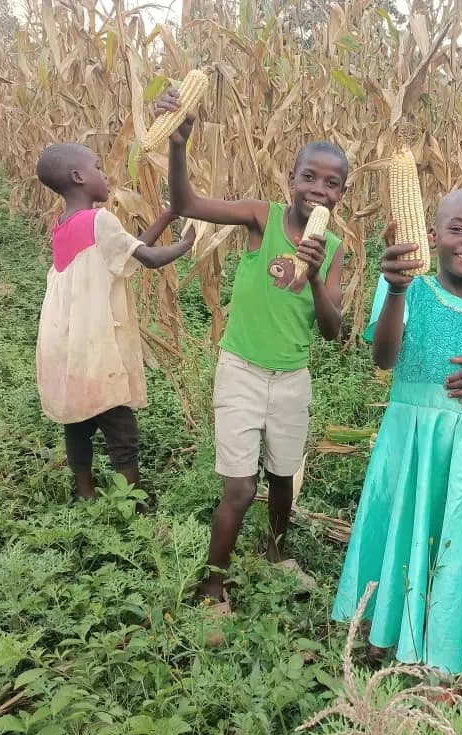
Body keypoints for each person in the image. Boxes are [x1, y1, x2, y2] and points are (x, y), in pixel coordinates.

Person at [332, 188, 462, 712]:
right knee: (408, 527)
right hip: (410, 444)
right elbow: (384, 359)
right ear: (432, 235)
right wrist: (396, 290)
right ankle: (393, 631)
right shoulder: (407, 287)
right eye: (457, 229)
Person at [154, 88, 348, 609]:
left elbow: (332, 330)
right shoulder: (261, 218)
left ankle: (277, 551)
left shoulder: (332, 250)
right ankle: (212, 584)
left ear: (341, 196)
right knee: (240, 489)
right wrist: (178, 146)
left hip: (291, 378)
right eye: (310, 177)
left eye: (333, 184)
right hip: (241, 371)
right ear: (292, 178)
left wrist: (311, 276)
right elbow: (186, 204)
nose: (319, 190)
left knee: (283, 478)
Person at [35, 143, 194, 501]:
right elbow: (148, 257)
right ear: (78, 177)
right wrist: (186, 245)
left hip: (66, 341)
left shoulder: (61, 225)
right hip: (96, 344)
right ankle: (133, 502)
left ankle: (85, 492)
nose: (105, 175)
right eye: (97, 167)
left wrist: (167, 217)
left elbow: (126, 251)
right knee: (120, 424)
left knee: (77, 421)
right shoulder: (99, 220)